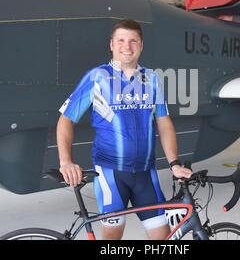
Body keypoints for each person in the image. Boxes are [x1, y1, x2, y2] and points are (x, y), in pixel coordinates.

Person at [57, 19, 192, 240]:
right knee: (112, 239)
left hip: (146, 175)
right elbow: (66, 119)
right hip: (111, 174)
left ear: (141, 45)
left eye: (133, 41)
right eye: (121, 40)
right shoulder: (97, 77)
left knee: (163, 240)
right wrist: (66, 161)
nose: (126, 46)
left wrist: (174, 163)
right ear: (111, 44)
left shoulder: (151, 79)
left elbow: (164, 122)